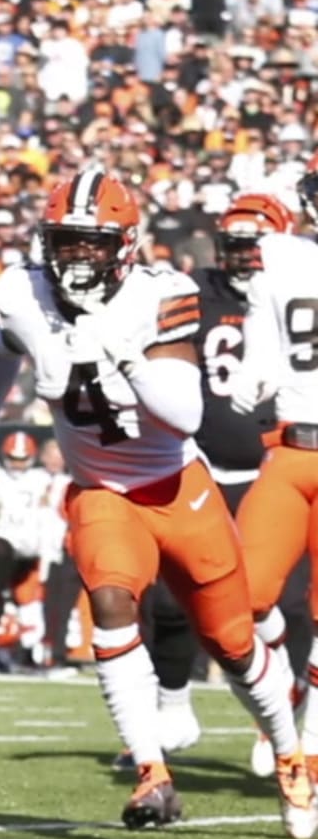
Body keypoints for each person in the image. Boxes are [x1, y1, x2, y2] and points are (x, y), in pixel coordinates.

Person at [0, 168, 316, 838]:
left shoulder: (161, 294)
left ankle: (290, 753)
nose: (77, 256)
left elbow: (184, 414)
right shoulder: (22, 290)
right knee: (109, 604)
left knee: (236, 644)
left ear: (124, 244)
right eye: (66, 240)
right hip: (101, 489)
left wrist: (125, 356)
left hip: (177, 488)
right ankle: (153, 774)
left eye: (92, 243)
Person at [131, 193, 312, 777]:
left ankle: (279, 721)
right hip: (204, 463)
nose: (244, 258)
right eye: (234, 246)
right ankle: (175, 703)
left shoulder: (291, 282)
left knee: (287, 602)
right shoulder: (193, 292)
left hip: (276, 458)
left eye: (254, 246)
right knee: (179, 597)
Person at [231, 162, 318, 787]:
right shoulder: (282, 257)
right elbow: (264, 346)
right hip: (290, 450)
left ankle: (308, 752)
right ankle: (282, 691)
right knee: (245, 598)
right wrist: (252, 375)